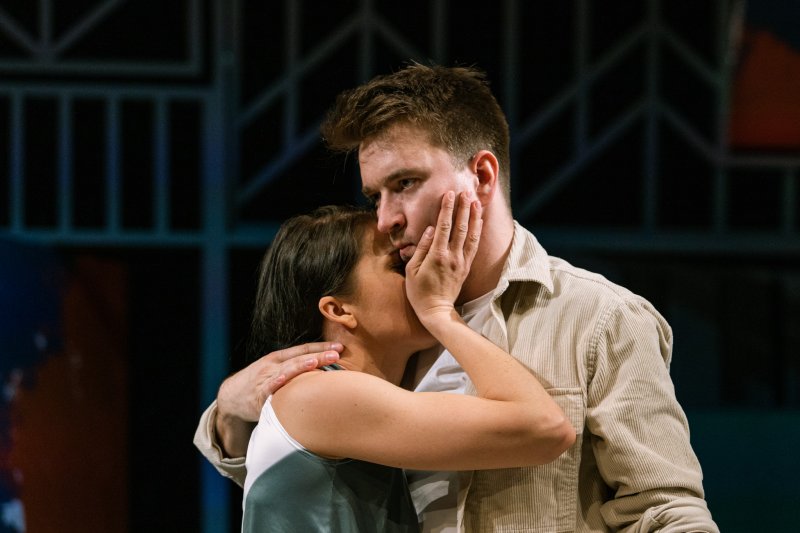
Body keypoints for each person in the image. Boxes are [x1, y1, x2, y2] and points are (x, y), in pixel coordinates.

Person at [195, 63, 719, 532]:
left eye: (405, 183)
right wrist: (229, 415)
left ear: (482, 176)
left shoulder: (599, 317)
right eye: (375, 195)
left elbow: (666, 509)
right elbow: (312, 475)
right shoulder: (391, 330)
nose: (386, 218)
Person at [235, 201, 575, 532]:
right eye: (400, 265)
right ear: (339, 310)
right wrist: (439, 312)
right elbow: (545, 428)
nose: (421, 274)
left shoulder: (338, 397)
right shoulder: (317, 394)